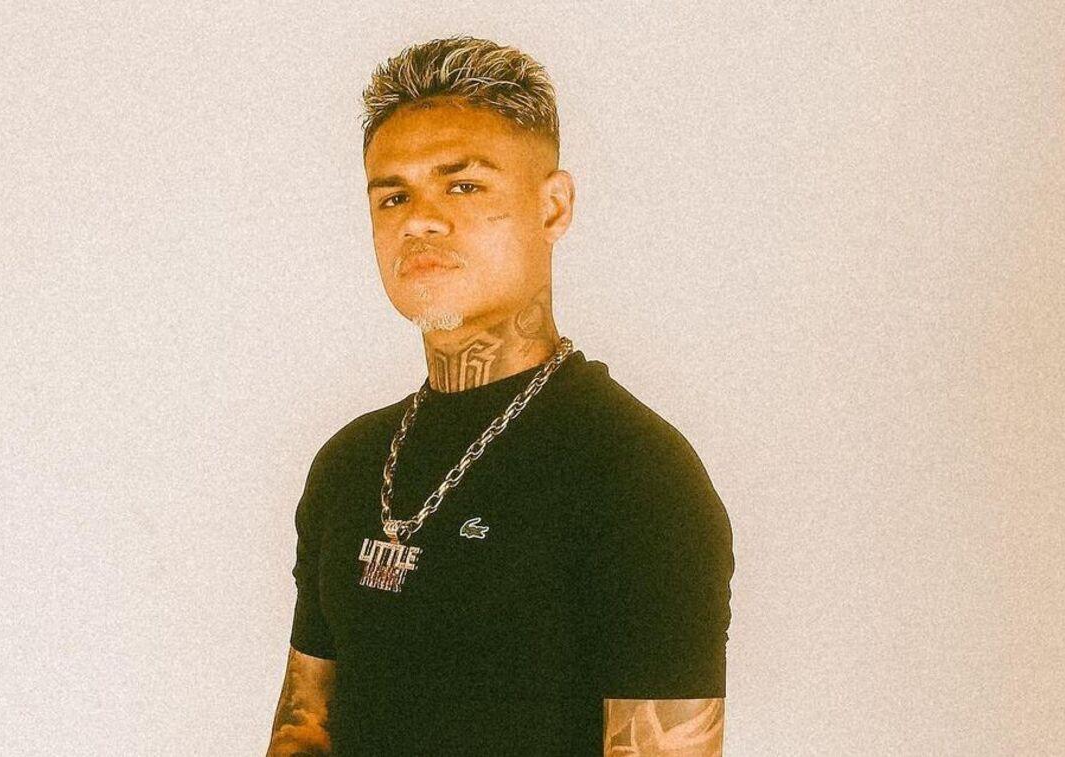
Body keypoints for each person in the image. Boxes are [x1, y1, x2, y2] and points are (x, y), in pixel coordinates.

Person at [265, 35, 733, 756]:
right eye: (394, 196)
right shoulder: (348, 463)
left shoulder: (635, 474)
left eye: (463, 186)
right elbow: (305, 730)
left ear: (553, 207)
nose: (420, 219)